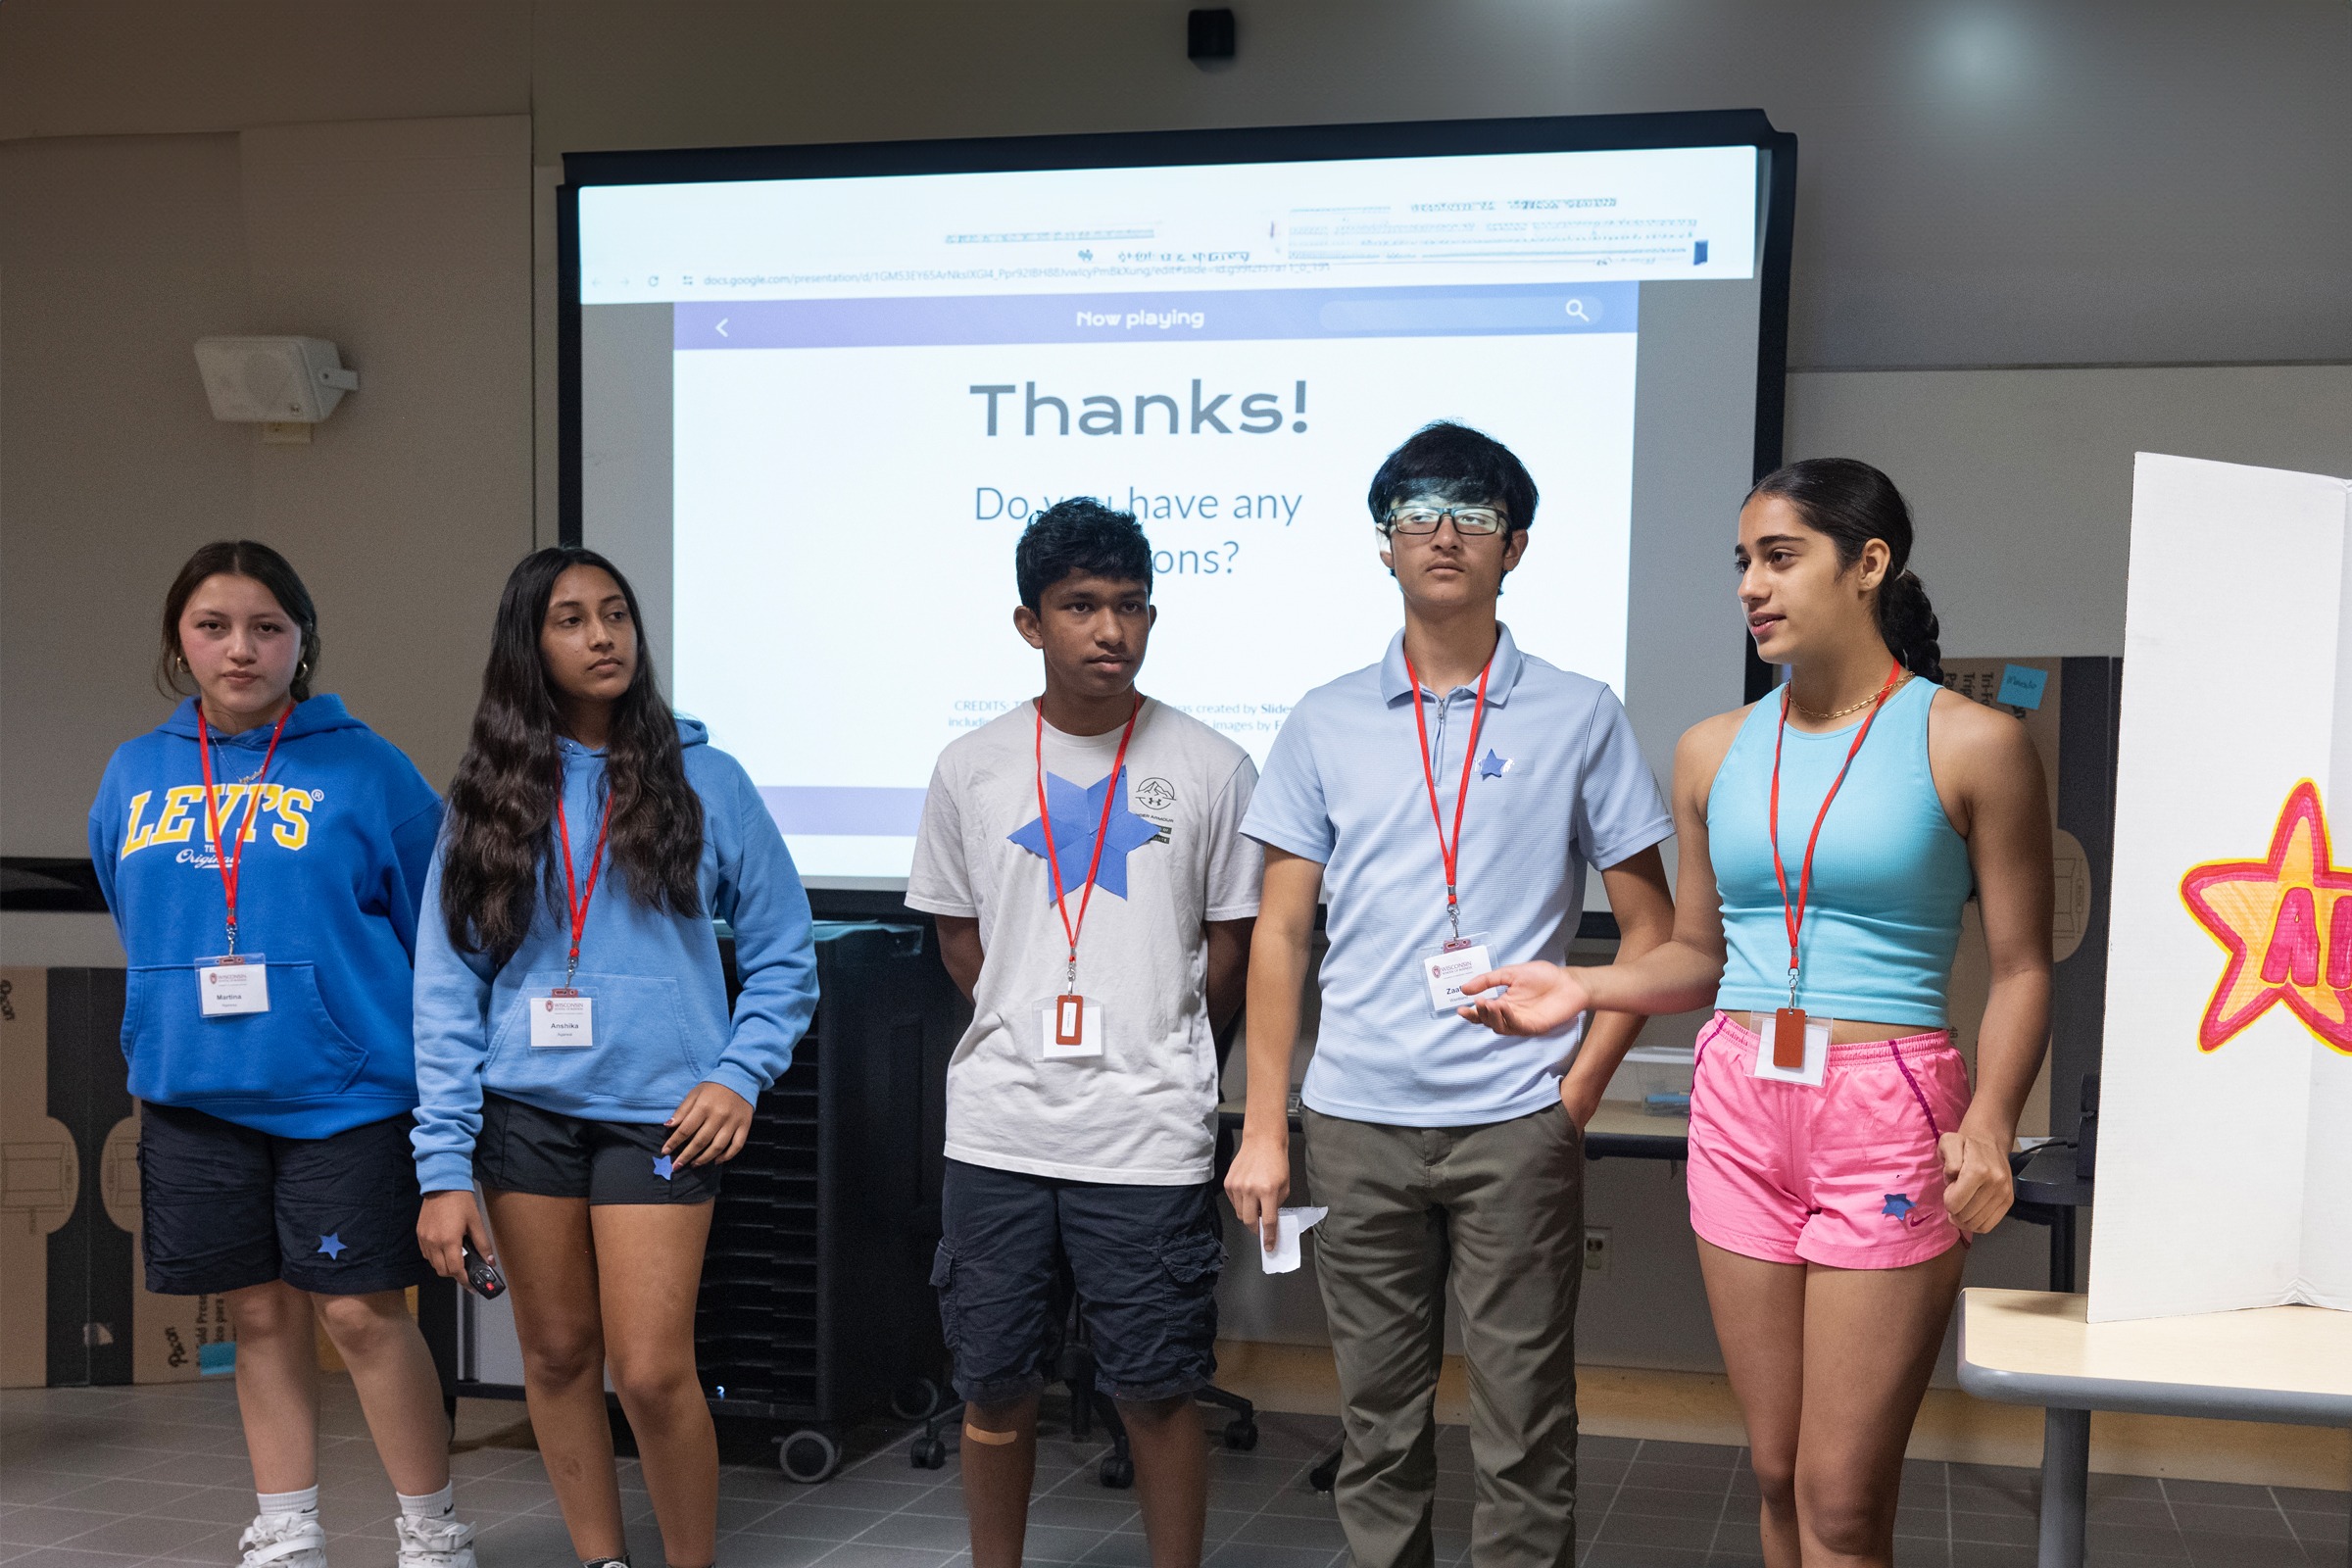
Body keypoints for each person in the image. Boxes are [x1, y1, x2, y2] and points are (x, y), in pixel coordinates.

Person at [1459, 458, 2051, 1568]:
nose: (1751, 585)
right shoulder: (1712, 749)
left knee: (1839, 1498)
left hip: (1889, 1108)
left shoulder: (1971, 741)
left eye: (1780, 557)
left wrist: (1990, 1126)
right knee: (1775, 1472)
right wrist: (1581, 985)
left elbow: (2022, 966)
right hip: (1738, 1098)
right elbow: (1693, 954)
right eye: (1744, 562)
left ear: (1868, 564)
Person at [1224, 423, 1678, 1568]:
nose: (1443, 533)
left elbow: (1651, 932)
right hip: (1356, 1121)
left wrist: (1573, 1093)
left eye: (1472, 514)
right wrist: (1266, 1126)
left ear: (1514, 546)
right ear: (1383, 547)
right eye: (1415, 513)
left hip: (1514, 1120)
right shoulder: (1325, 718)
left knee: (1526, 1424)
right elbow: (1280, 933)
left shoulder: (1578, 712)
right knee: (1376, 1427)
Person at [411, 546, 817, 1568]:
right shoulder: (488, 793)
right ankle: (602, 1560)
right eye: (572, 619)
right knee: (554, 1353)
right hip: (523, 1112)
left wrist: (739, 1072)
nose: (602, 636)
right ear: (529, 645)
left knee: (647, 1369)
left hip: (663, 1113)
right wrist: (442, 1166)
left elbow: (783, 956)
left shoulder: (707, 778)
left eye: (616, 614)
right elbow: (447, 987)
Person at [88, 541, 473, 1568]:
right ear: (181, 639)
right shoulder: (135, 770)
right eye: (214, 626)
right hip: (192, 1094)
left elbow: (436, 921)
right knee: (257, 1314)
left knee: (357, 1312)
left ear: (302, 641)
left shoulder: (366, 764)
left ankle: (430, 1529)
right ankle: (288, 1526)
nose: (240, 648)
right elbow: (135, 908)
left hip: (344, 1093)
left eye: (266, 626)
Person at [906, 498, 1261, 1568]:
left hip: (1146, 1133)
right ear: (1030, 622)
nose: (1111, 629)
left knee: (1156, 1388)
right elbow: (961, 942)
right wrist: (1026, 1025)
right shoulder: (970, 766)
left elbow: (1230, 954)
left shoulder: (1211, 766)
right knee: (994, 1381)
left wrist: (1164, 1045)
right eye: (1081, 606)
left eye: (1131, 606)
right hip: (1001, 1133)